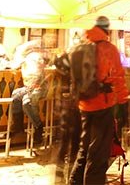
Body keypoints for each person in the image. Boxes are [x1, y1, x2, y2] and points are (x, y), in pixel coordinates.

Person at [70, 16, 128, 185]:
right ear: (107, 30)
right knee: (99, 153)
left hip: (83, 105)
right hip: (103, 104)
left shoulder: (80, 47)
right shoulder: (108, 49)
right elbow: (118, 77)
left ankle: (74, 181)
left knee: (85, 147)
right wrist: (123, 103)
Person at [10, 40, 48, 144]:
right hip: (30, 87)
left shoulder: (35, 57)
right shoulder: (26, 58)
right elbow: (15, 66)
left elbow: (38, 74)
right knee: (16, 95)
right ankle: (18, 129)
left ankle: (39, 126)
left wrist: (34, 83)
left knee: (27, 102)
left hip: (40, 87)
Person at [52, 52, 82, 184]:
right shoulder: (74, 73)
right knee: (73, 144)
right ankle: (70, 177)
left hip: (68, 111)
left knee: (65, 144)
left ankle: (60, 178)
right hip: (75, 110)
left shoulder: (64, 73)